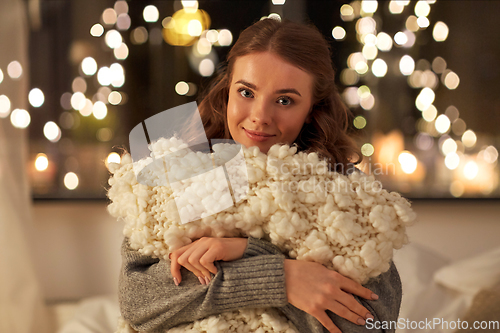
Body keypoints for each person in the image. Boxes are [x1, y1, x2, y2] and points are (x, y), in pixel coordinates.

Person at [118, 18, 402, 333]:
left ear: (312, 109)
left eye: (284, 101)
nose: (259, 117)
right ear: (227, 91)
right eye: (247, 92)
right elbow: (139, 302)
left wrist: (243, 250)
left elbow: (375, 324)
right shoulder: (174, 177)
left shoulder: (346, 198)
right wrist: (281, 276)